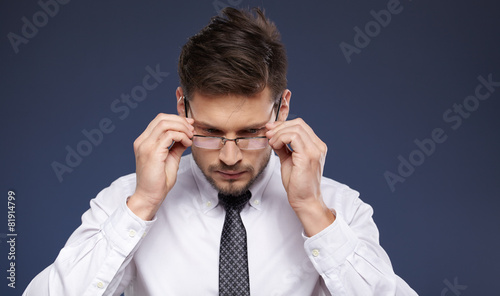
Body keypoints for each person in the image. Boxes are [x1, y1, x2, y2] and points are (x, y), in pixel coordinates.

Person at [24, 7, 418, 296]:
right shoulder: (124, 202)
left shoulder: (338, 209)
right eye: (210, 132)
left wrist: (313, 211)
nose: (230, 157)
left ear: (282, 109)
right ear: (183, 109)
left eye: (250, 132)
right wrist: (142, 204)